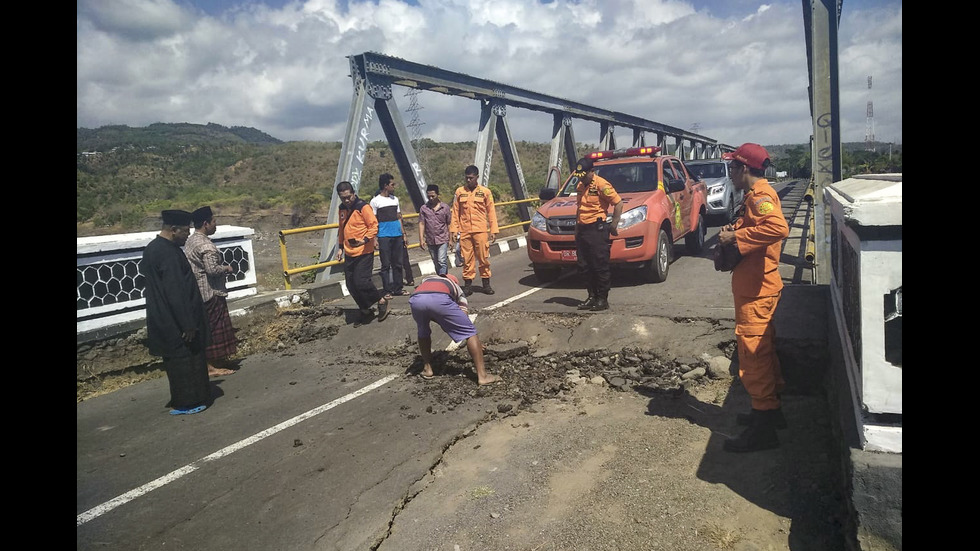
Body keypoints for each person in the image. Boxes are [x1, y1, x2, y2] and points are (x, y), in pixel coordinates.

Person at [717, 143, 790, 453]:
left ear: (743, 168)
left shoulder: (760, 196)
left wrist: (736, 236)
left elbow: (778, 227)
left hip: (756, 291)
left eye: (732, 167)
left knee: (753, 356)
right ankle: (770, 413)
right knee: (765, 353)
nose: (730, 173)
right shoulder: (754, 196)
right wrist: (736, 227)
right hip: (756, 287)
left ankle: (764, 432)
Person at [142, 209, 212, 415]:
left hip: (164, 317)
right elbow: (176, 292)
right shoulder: (167, 253)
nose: (188, 235)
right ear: (173, 230)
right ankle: (189, 401)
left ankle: (182, 398)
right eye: (185, 230)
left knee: (176, 362)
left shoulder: (153, 248)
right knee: (186, 360)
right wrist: (188, 324)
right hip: (177, 320)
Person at [409, 273, 502, 386]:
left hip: (416, 299)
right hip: (440, 298)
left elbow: (427, 301)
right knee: (470, 333)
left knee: (423, 331)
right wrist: (474, 341)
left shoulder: (427, 279)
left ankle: (427, 369)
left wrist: (445, 322)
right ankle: (483, 376)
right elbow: (463, 317)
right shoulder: (457, 288)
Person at [185, 206, 238, 378]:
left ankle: (213, 363)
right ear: (206, 224)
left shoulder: (192, 240)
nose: (216, 225)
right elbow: (212, 270)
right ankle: (211, 366)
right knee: (213, 329)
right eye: (214, 221)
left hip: (197, 290)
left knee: (209, 328)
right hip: (210, 292)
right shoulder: (207, 245)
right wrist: (227, 268)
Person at [335, 181, 390, 324]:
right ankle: (365, 310)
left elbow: (374, 225)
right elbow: (341, 229)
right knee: (350, 284)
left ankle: (381, 300)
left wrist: (364, 240)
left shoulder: (363, 207)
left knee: (361, 281)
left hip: (364, 251)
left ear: (353, 193)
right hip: (349, 251)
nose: (347, 200)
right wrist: (340, 247)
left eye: (349, 197)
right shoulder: (342, 209)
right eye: (343, 198)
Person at [572, 157, 623, 312]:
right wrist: (576, 228)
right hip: (583, 230)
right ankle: (591, 296)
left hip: (597, 229)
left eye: (584, 174)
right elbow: (580, 208)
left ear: (591, 172)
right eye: (579, 175)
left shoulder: (602, 184)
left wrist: (613, 225)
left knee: (599, 265)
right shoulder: (580, 186)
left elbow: (618, 203)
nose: (581, 178)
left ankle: (602, 299)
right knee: (584, 266)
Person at [450, 165, 499, 296]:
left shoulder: (485, 192)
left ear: (477, 177)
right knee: (467, 259)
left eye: (471, 178)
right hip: (465, 231)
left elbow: (491, 212)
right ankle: (467, 286)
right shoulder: (459, 192)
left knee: (483, 258)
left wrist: (493, 230)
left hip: (480, 231)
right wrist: (454, 230)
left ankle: (486, 284)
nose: (468, 180)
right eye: (466, 178)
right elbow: (455, 212)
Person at [371, 173, 409, 298]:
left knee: (398, 263)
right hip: (384, 236)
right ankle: (387, 290)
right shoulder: (375, 201)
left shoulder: (395, 199)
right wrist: (375, 238)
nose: (394, 186)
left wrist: (403, 233)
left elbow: (399, 217)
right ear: (385, 186)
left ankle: (398, 288)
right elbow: (373, 221)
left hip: (397, 235)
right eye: (392, 184)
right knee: (386, 264)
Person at [417, 184, 452, 276]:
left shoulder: (445, 208)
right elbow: (421, 223)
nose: (431, 198)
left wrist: (451, 239)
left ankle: (443, 279)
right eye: (429, 196)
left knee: (442, 260)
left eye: (433, 196)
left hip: (442, 238)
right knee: (435, 261)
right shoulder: (424, 209)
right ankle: (441, 277)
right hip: (430, 240)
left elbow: (449, 223)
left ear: (437, 195)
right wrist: (421, 239)